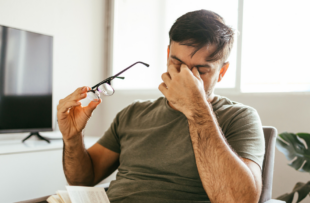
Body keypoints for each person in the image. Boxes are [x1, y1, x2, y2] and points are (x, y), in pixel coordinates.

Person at [57, 10, 265, 203]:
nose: (184, 77)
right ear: (167, 55)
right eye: (176, 63)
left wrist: (197, 110)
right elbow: (83, 181)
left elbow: (240, 200)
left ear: (222, 71)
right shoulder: (133, 113)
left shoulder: (239, 117)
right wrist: (73, 138)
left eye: (201, 70)